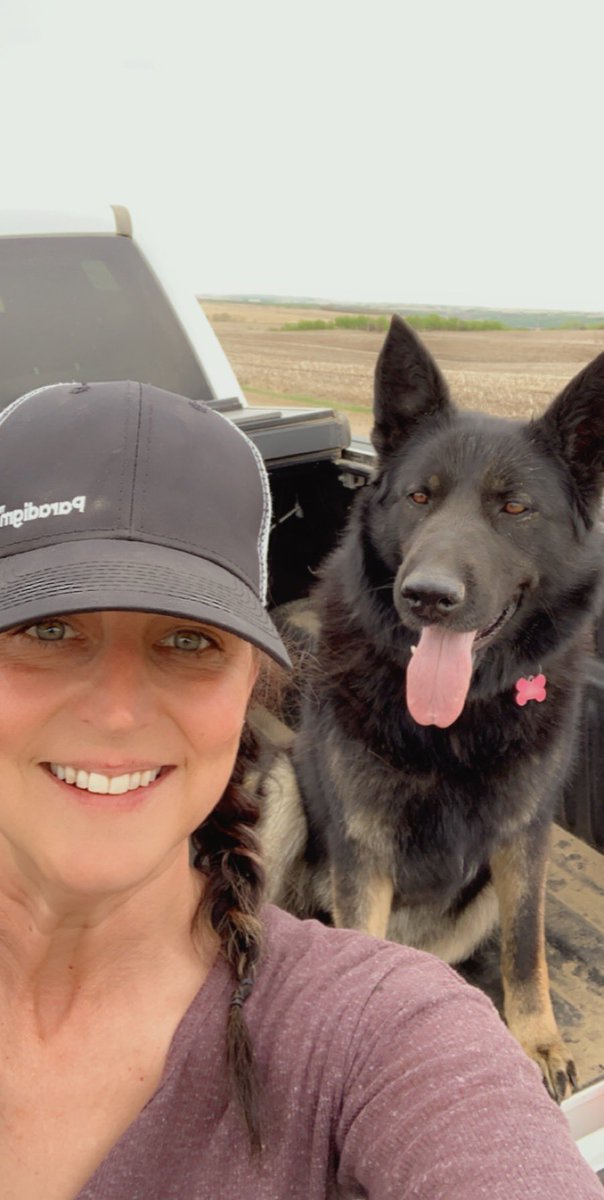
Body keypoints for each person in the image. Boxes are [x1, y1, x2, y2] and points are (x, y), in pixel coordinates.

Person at [0, 379, 599, 1200]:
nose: (114, 713)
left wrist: (510, 1013)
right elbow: (356, 846)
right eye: (48, 628)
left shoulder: (381, 1030)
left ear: (255, 676)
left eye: (186, 638)